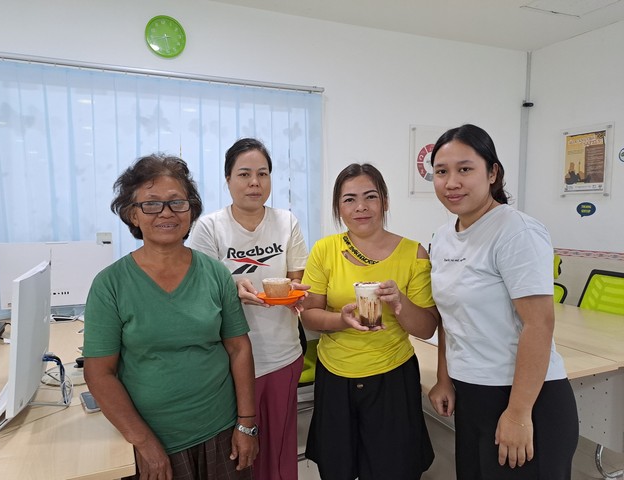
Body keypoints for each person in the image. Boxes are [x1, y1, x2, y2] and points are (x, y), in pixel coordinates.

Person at [83, 154, 258, 480]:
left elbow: (239, 348)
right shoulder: (110, 285)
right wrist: (143, 442)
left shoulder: (215, 274)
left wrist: (247, 424)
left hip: (222, 430)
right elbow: (99, 373)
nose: (166, 212)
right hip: (154, 440)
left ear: (190, 211)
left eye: (177, 202)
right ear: (132, 214)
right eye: (151, 204)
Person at [428, 124, 579, 480]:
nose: (452, 182)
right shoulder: (443, 236)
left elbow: (539, 324)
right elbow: (450, 317)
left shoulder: (516, 231)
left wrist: (518, 413)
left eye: (465, 169)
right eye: (441, 171)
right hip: (472, 394)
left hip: (525, 397)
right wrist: (444, 378)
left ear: (492, 172)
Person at [300, 163, 439, 480]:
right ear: (338, 207)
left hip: (392, 376)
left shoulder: (414, 253)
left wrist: (400, 302)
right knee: (338, 468)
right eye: (349, 199)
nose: (360, 207)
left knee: (394, 468)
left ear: (385, 202)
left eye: (370, 196)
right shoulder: (325, 250)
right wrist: (342, 320)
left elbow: (427, 327)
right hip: (335, 375)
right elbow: (309, 314)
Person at [189, 138, 308, 480]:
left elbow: (296, 279)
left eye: (262, 174)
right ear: (228, 179)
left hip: (282, 354)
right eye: (244, 174)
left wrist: (297, 293)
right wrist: (232, 289)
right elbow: (198, 293)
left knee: (278, 454)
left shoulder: (286, 221)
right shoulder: (210, 227)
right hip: (227, 361)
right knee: (236, 456)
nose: (255, 182)